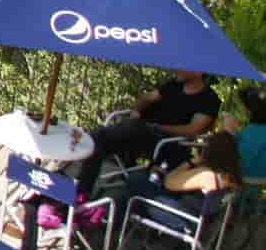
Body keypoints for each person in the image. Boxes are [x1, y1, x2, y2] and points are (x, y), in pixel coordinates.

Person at [71, 69, 220, 197]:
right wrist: (137, 110)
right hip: (141, 130)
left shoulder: (209, 99)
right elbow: (146, 97)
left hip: (168, 143)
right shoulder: (173, 85)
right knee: (99, 141)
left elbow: (192, 130)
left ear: (199, 71)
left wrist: (158, 127)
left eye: (184, 65)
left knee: (102, 137)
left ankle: (81, 191)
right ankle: (81, 192)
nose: (177, 68)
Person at [109, 129, 243, 214]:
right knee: (132, 194)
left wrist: (192, 162)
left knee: (135, 180)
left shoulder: (207, 175)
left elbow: (169, 183)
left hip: (182, 217)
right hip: (196, 217)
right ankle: (112, 219)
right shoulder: (230, 177)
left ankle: (108, 222)